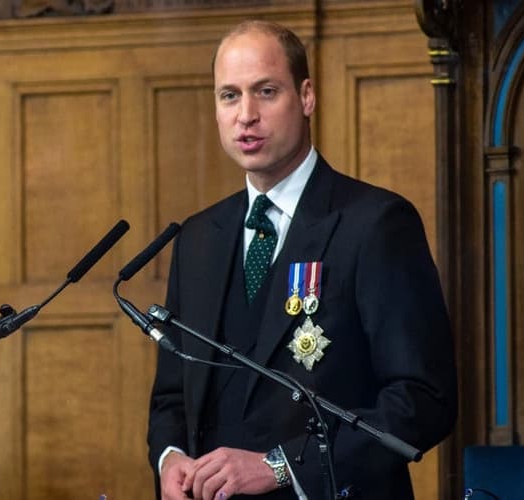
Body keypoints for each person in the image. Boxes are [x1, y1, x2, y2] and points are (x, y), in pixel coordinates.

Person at [147, 20, 457, 500]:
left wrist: (283, 467)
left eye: (266, 92)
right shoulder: (197, 238)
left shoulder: (375, 224)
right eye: (229, 96)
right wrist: (170, 459)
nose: (246, 115)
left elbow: (424, 399)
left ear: (307, 97)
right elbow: (172, 395)